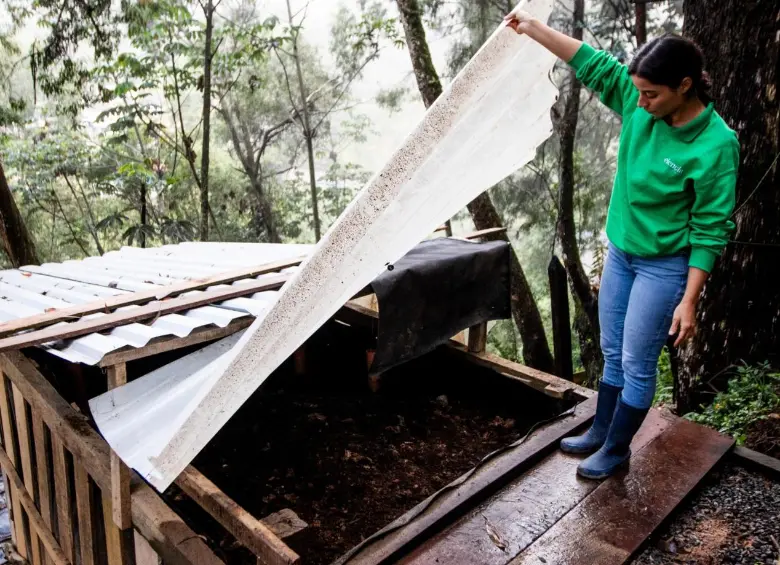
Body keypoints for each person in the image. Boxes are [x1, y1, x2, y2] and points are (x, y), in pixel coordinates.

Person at [504, 8, 739, 479]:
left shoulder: (716, 145)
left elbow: (710, 228)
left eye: (652, 93)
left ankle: (616, 447)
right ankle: (601, 431)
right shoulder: (639, 100)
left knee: (636, 359)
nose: (640, 101)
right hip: (622, 255)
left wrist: (689, 301)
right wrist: (532, 28)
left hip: (664, 265)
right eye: (637, 90)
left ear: (685, 86)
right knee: (612, 350)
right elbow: (590, 62)